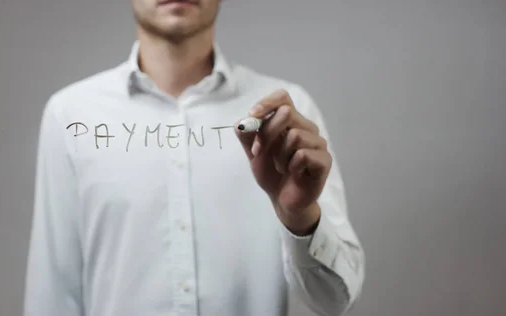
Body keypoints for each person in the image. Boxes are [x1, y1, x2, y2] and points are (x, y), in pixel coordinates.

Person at [23, 0, 365, 315]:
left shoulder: (288, 114)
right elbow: (53, 294)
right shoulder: (70, 115)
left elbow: (334, 301)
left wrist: (300, 215)